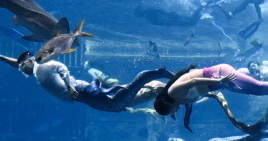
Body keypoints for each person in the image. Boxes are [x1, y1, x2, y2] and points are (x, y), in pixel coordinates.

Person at [1, 51, 172, 111]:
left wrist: (69, 87)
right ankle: (154, 83)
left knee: (115, 100)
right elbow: (16, 63)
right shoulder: (36, 71)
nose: (21, 70)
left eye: (22, 66)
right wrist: (1, 57)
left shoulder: (41, 64)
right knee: (115, 105)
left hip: (78, 89)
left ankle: (154, 74)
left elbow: (62, 68)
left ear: (28, 61)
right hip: (80, 97)